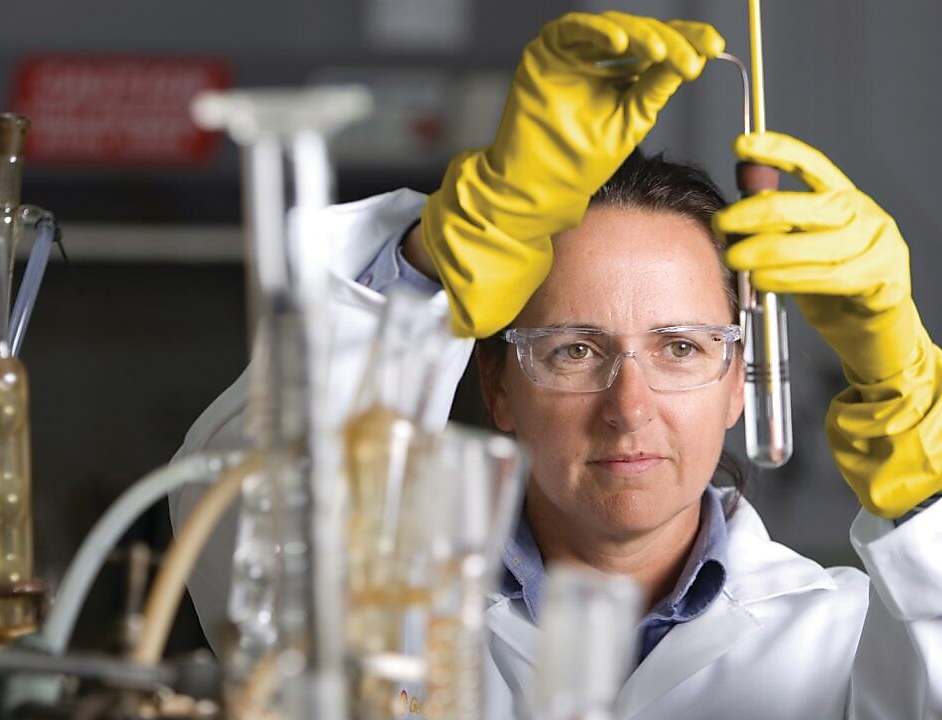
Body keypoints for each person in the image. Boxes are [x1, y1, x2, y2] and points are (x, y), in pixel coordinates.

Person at [170, 11, 942, 718]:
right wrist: (433, 263)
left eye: (680, 347)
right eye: (575, 349)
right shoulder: (380, 604)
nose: (629, 408)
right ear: (497, 384)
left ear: (739, 378)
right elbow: (248, 517)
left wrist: (917, 443)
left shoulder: (847, 637)